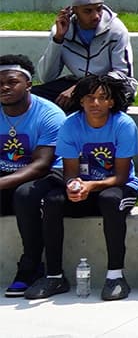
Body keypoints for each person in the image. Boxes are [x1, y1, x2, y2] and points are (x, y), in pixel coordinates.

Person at [41, 74, 138, 301]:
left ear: (111, 101)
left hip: (117, 187)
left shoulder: (124, 124)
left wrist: (90, 185)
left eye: (102, 98)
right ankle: (54, 276)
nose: (95, 103)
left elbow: (122, 176)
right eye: (89, 98)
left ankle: (116, 276)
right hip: (86, 186)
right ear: (81, 101)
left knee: (110, 200)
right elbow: (70, 172)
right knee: (53, 200)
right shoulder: (70, 124)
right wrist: (73, 185)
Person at [0, 56, 63, 298]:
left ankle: (30, 267)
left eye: (11, 82)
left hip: (46, 175)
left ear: (28, 84)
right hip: (6, 173)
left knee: (25, 195)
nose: (4, 87)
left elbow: (41, 165)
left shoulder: (48, 114)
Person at [35, 0, 136, 108]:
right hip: (78, 82)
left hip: (113, 84)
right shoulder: (61, 30)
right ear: (75, 11)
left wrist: (79, 88)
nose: (96, 16)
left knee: (102, 100)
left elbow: (122, 74)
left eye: (99, 9)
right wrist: (58, 39)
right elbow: (47, 77)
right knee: (34, 97)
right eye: (88, 11)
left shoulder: (116, 30)